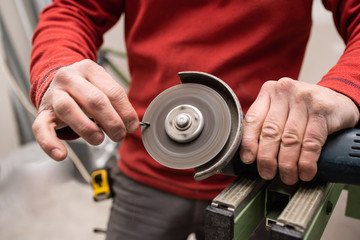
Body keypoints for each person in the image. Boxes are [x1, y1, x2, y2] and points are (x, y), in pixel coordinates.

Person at [30, 1, 360, 239]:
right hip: (143, 173)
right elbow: (75, 9)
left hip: (255, 175)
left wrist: (345, 87)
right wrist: (56, 66)